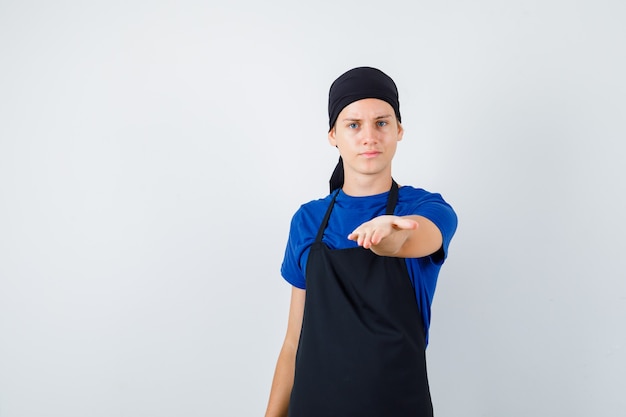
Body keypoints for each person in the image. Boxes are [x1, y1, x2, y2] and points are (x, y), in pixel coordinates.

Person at [264, 66, 458, 417]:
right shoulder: (308, 220)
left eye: (382, 123)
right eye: (353, 125)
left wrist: (392, 235)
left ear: (399, 131)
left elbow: (418, 238)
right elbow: (294, 341)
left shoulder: (425, 208)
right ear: (333, 135)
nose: (369, 136)